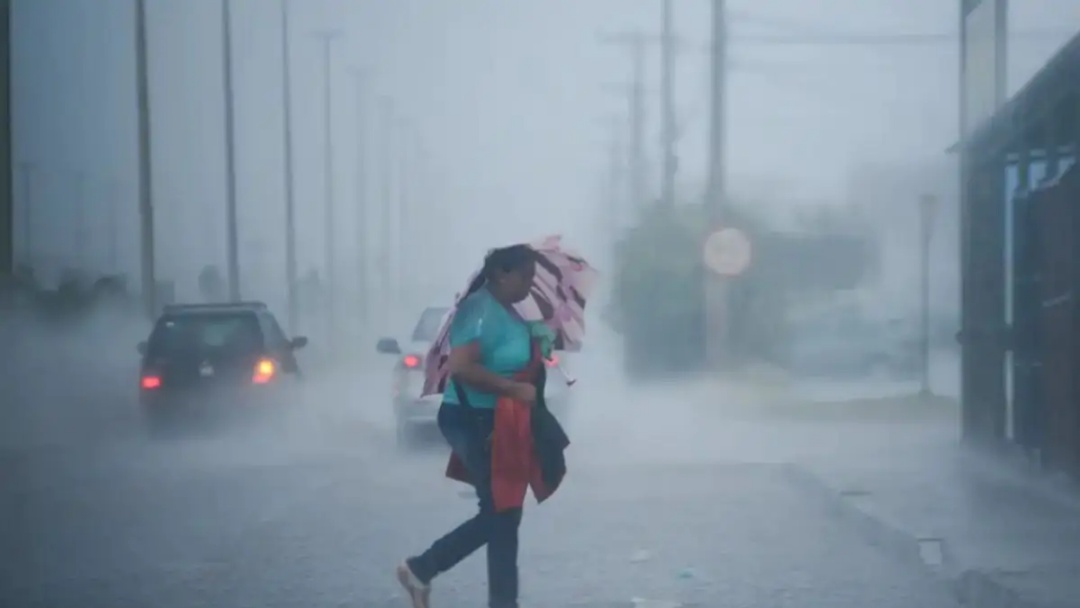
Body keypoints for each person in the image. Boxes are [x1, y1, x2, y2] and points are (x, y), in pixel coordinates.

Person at [397, 244, 541, 608]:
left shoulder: (509, 312)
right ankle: (422, 568)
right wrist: (512, 389)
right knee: (500, 510)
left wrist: (539, 346)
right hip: (470, 419)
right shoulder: (477, 309)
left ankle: (498, 600)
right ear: (501, 274)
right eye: (525, 276)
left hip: (499, 420)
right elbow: (462, 368)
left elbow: (508, 358)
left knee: (505, 510)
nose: (530, 284)